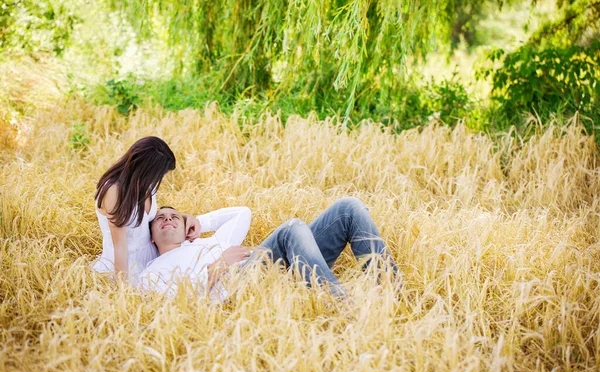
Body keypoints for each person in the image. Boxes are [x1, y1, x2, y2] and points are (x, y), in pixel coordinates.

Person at [139, 197, 400, 300]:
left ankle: (394, 294)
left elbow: (242, 213)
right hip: (238, 288)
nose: (168, 219)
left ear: (186, 228)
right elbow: (177, 305)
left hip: (272, 268)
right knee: (292, 229)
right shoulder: (153, 271)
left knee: (348, 208)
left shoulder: (206, 241)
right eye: (160, 218)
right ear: (151, 237)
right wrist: (218, 265)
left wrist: (200, 222)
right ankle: (344, 306)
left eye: (175, 216)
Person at [92, 136, 201, 285]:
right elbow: (120, 245)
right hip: (125, 263)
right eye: (159, 175)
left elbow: (144, 220)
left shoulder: (146, 185)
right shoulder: (114, 191)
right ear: (146, 170)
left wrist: (185, 218)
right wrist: (121, 288)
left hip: (151, 255)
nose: (160, 179)